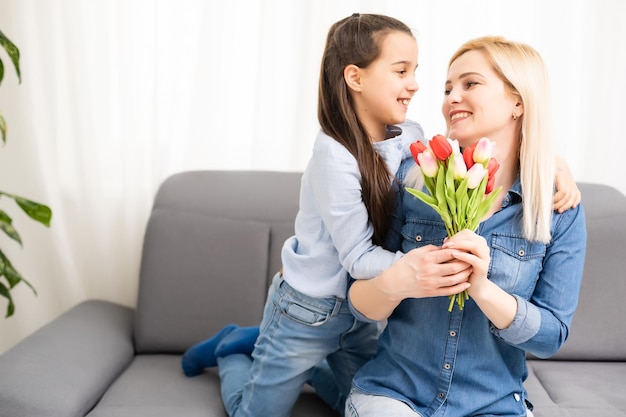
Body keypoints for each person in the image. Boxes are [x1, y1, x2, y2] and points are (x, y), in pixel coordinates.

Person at [180, 13, 458, 417]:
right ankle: (232, 348)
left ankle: (303, 367)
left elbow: (461, 164)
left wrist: (549, 163)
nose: (414, 83)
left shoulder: (409, 135)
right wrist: (417, 268)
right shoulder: (334, 155)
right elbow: (359, 258)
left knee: (357, 407)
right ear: (355, 77)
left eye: (415, 71)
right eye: (401, 71)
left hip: (360, 313)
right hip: (306, 313)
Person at [344, 36, 587, 417]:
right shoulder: (412, 180)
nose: (450, 98)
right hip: (395, 395)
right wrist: (399, 280)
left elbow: (551, 336)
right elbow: (357, 302)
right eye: (447, 88)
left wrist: (482, 288)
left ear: (518, 101)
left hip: (493, 407)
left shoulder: (558, 207)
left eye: (469, 84)